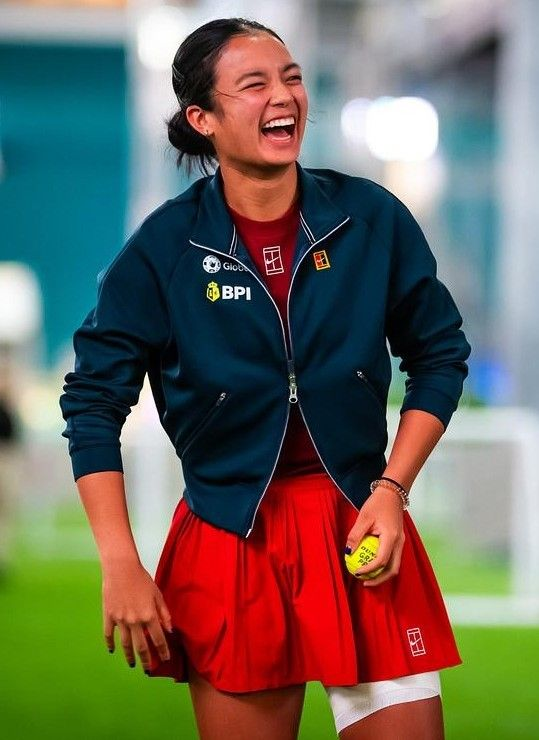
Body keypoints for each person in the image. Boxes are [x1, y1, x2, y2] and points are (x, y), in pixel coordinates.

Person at [59, 17, 472, 740]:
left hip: (361, 518)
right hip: (230, 537)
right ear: (203, 118)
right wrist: (119, 562)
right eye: (254, 84)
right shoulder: (163, 248)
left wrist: (391, 488)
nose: (283, 96)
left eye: (291, 78)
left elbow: (439, 354)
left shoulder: (369, 217)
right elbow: (92, 402)